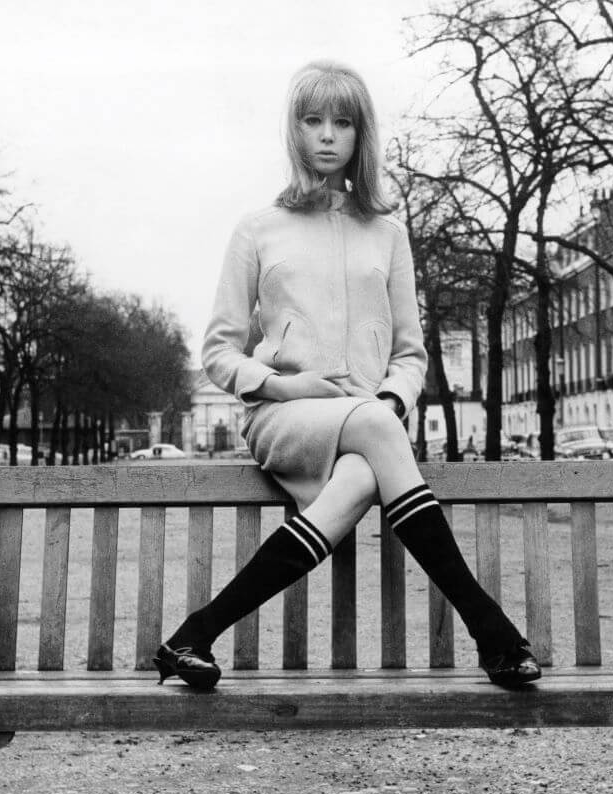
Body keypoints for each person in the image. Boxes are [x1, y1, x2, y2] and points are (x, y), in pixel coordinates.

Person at [155, 60, 540, 691]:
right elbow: (219, 353)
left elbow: (411, 354)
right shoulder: (258, 229)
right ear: (295, 132)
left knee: (365, 463)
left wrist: (391, 396)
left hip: (368, 423)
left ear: (362, 136)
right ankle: (491, 629)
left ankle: (193, 634)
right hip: (282, 416)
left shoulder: (387, 234)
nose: (328, 135)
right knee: (377, 433)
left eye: (343, 122)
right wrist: (283, 385)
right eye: (313, 121)